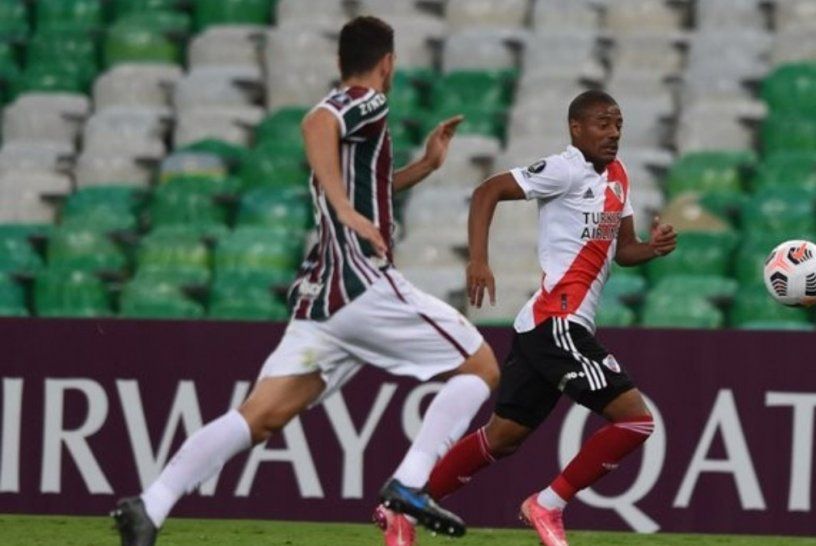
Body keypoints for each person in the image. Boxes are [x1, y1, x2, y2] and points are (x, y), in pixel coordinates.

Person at [112, 16, 500, 546]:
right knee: (481, 366)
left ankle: (149, 506)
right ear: (388, 62)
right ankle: (410, 483)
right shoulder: (366, 101)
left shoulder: (355, 135)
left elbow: (371, 194)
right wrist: (344, 209)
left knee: (260, 417)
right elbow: (315, 124)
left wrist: (426, 166)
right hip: (362, 287)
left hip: (323, 303)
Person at [374, 90, 678, 546]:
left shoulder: (618, 177)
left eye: (618, 123)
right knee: (636, 420)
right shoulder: (564, 168)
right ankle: (548, 505)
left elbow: (624, 250)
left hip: (545, 327)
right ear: (576, 128)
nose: (613, 132)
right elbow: (487, 190)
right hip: (558, 321)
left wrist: (651, 250)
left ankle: (402, 507)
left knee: (502, 438)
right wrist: (479, 260)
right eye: (602, 123)